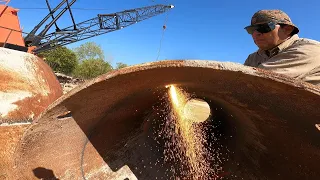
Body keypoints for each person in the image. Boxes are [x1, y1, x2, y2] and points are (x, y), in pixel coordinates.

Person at [243, 9, 320, 86]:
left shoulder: (310, 48)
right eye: (251, 30)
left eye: (263, 28)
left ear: (287, 29)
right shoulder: (253, 57)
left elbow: (254, 79)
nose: (255, 34)